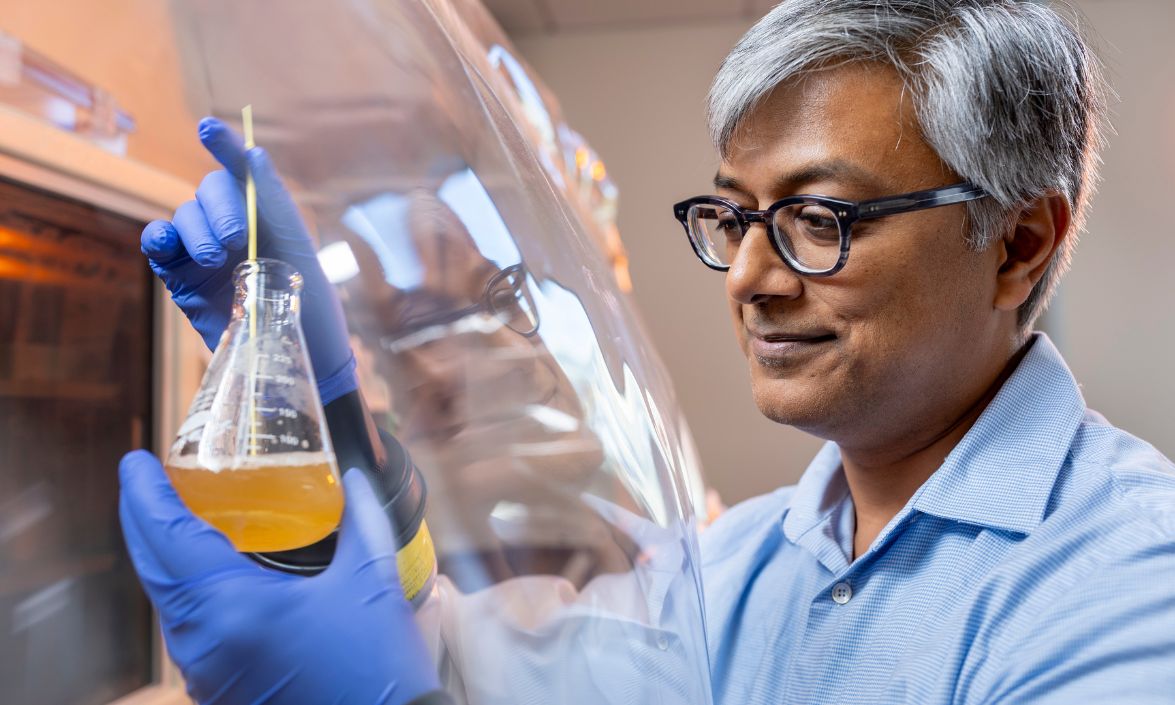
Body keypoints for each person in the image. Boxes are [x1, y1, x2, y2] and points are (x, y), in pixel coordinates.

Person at [119, 0, 1175, 703]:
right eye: (733, 217)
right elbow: (464, 657)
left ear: (1016, 245)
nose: (752, 278)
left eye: (820, 219)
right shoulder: (747, 561)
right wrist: (332, 424)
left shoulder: (1124, 581)